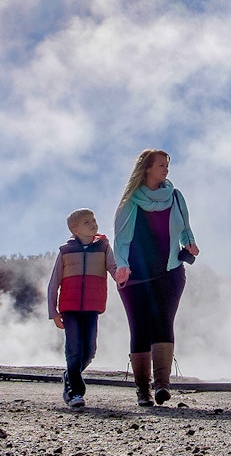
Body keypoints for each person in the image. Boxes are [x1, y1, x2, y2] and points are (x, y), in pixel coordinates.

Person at [113, 149, 199, 407]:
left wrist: (190, 244)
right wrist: (122, 266)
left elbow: (185, 228)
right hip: (135, 277)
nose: (166, 169)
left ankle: (162, 385)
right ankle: (143, 391)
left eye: (167, 165)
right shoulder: (130, 201)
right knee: (139, 328)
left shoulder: (175, 196)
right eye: (161, 165)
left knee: (163, 322)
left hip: (170, 271)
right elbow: (121, 239)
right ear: (147, 168)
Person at [46, 208, 118, 409]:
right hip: (69, 308)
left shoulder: (103, 246)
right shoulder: (65, 251)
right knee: (74, 348)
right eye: (87, 222)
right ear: (74, 229)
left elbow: (113, 268)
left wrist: (122, 276)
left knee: (90, 350)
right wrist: (53, 312)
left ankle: (70, 374)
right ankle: (75, 392)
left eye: (94, 220)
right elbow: (54, 282)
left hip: (93, 306)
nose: (93, 223)